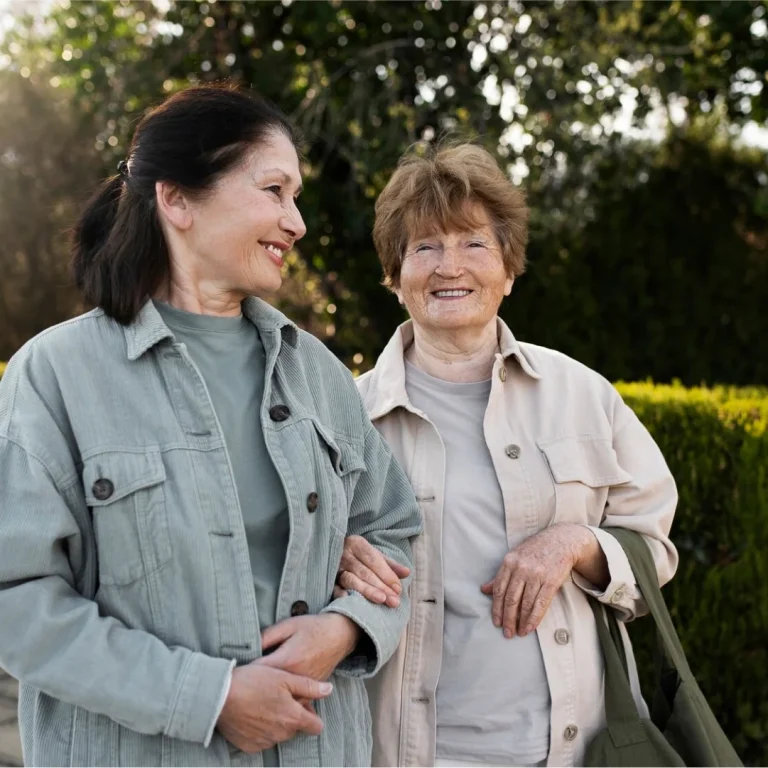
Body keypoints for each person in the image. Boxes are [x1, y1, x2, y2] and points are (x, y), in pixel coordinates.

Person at [0, 85, 422, 767]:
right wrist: (207, 697)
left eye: (296, 196)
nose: (298, 222)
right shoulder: (55, 375)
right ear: (177, 200)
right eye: (274, 190)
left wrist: (346, 628)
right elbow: (15, 599)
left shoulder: (314, 371)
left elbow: (395, 531)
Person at [334, 143, 679, 767]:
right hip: (409, 755)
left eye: (473, 244)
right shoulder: (343, 417)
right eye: (425, 247)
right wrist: (331, 557)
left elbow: (654, 549)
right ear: (395, 274)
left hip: (574, 750)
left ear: (509, 270)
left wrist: (575, 541)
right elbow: (286, 562)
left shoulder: (583, 394)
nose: (449, 266)